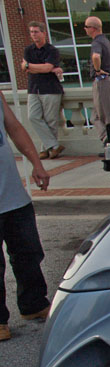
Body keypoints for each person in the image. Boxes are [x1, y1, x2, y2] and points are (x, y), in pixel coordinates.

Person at [0, 91, 51, 342]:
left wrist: (36, 163)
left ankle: (33, 304)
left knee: (28, 250)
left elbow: (15, 129)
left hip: (12, 194)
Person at [22, 22, 64, 159]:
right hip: (33, 88)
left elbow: (45, 68)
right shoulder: (28, 50)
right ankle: (55, 146)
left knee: (50, 120)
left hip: (50, 88)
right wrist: (46, 68)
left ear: (43, 33)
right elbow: (25, 68)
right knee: (33, 117)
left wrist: (37, 67)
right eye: (31, 32)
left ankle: (46, 150)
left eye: (36, 31)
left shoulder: (52, 50)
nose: (33, 34)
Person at [84, 16, 110, 144]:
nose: (85, 29)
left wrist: (97, 69)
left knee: (104, 118)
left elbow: (95, 56)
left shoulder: (97, 42)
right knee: (95, 116)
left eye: (86, 27)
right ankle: (108, 142)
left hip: (103, 82)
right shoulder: (105, 41)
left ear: (93, 28)